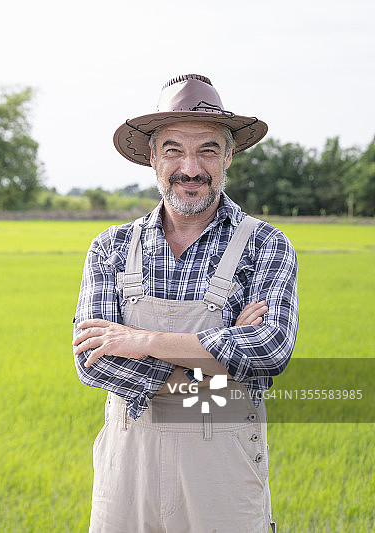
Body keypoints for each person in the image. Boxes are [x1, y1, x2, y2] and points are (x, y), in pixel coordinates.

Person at [72, 74, 298, 533]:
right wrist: (219, 362)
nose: (190, 168)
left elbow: (270, 349)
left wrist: (142, 340)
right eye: (173, 149)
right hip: (127, 473)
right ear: (153, 158)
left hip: (223, 476)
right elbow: (93, 363)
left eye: (208, 150)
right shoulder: (110, 247)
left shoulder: (266, 246)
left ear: (229, 156)